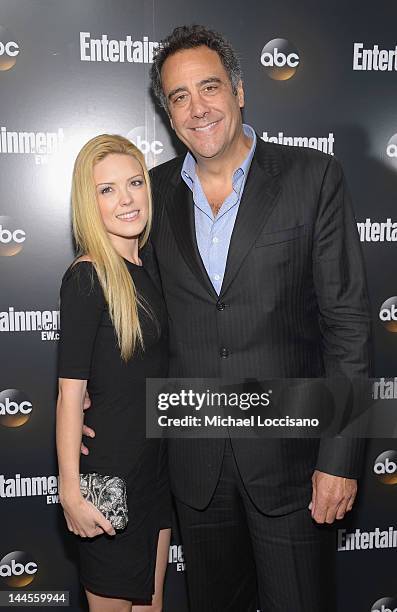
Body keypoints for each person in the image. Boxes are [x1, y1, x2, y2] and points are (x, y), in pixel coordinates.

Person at [83, 25, 372, 612]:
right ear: (167, 113)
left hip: (292, 467)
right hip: (193, 466)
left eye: (209, 87)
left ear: (239, 90)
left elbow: (348, 328)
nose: (198, 108)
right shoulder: (152, 195)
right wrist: (96, 395)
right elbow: (126, 305)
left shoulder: (311, 178)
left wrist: (339, 459)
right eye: (179, 97)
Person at [56, 134, 171, 612]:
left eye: (135, 183)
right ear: (90, 202)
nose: (125, 199)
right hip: (108, 485)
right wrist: (69, 494)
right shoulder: (86, 277)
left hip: (156, 477)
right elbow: (69, 396)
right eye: (107, 189)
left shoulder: (154, 270)